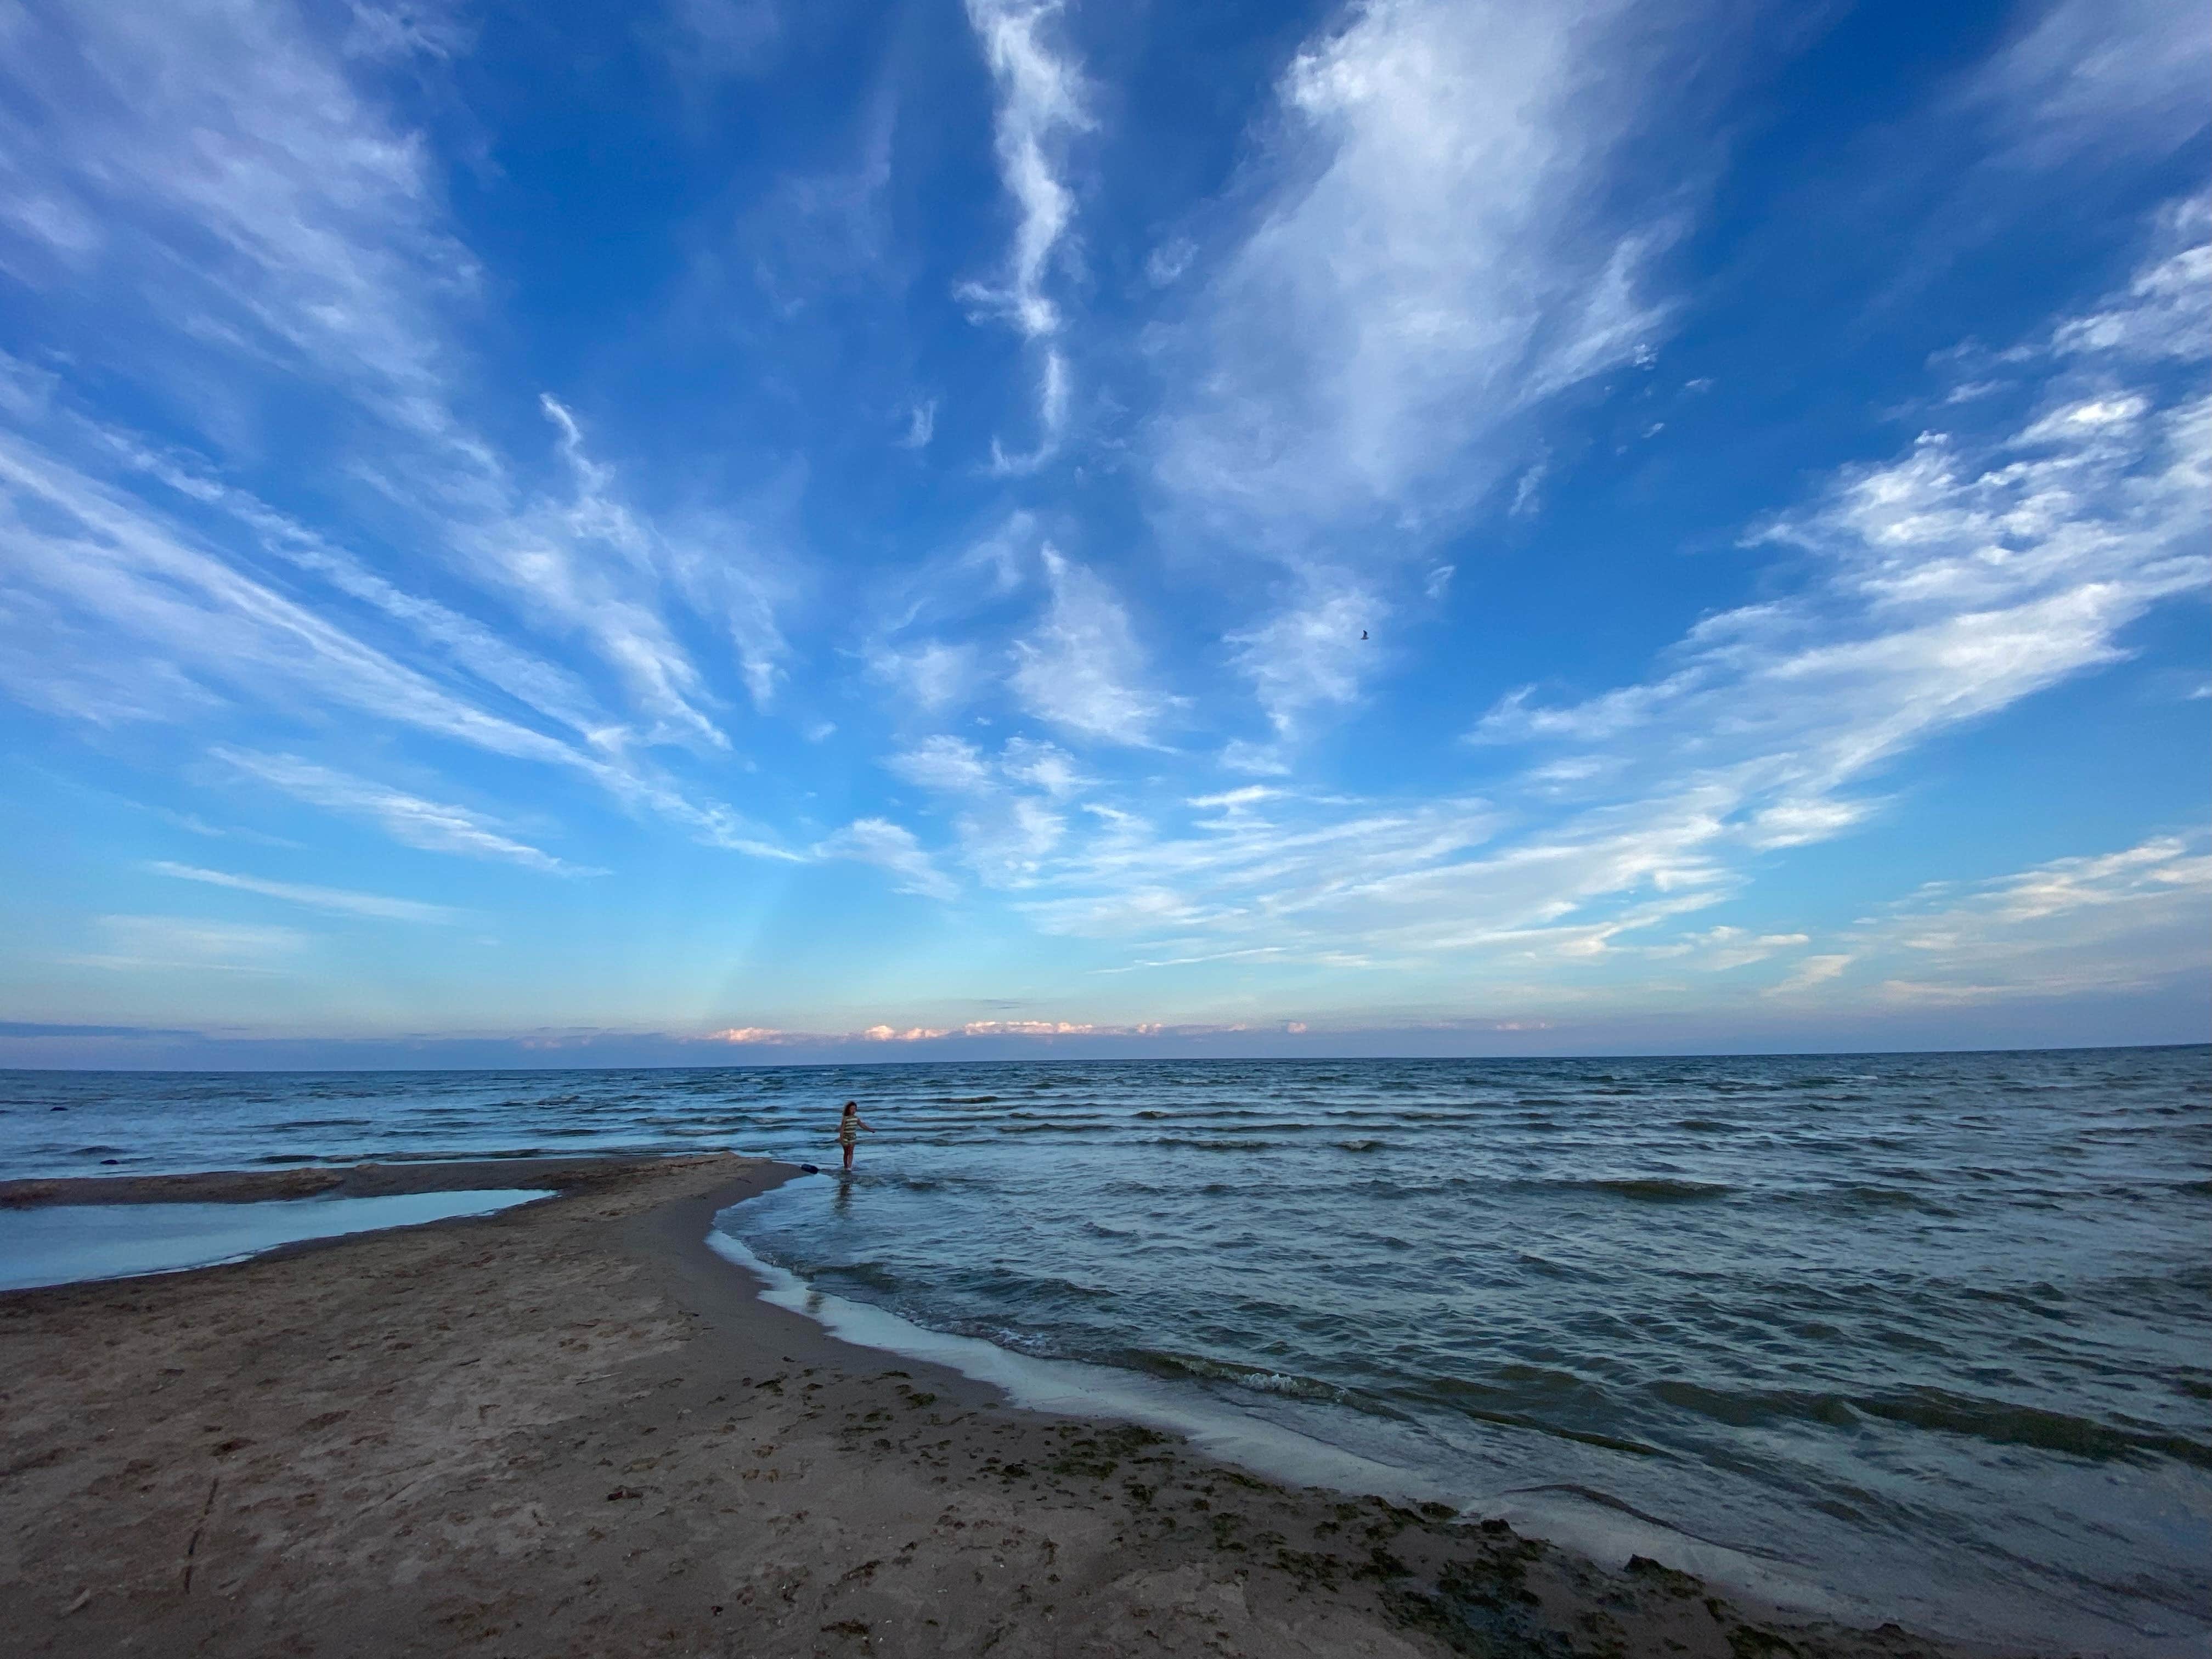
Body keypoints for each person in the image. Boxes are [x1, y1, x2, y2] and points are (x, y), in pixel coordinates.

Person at [835, 1099, 876, 1172]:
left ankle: (849, 1168)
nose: (853, 1111)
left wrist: (870, 1130)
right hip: (845, 1137)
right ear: (848, 1110)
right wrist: (841, 1139)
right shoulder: (845, 1118)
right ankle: (846, 1166)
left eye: (855, 1109)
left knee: (851, 1152)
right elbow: (842, 1129)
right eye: (852, 1109)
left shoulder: (856, 1118)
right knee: (846, 1153)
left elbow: (863, 1126)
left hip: (853, 1137)